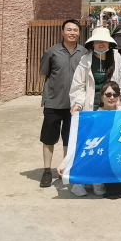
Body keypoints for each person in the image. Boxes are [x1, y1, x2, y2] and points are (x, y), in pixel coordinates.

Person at [38, 19, 87, 188]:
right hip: (53, 102)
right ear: (62, 32)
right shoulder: (51, 52)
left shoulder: (84, 52)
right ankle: (46, 171)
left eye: (75, 30)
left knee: (69, 139)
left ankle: (66, 168)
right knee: (48, 138)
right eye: (69, 29)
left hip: (75, 105)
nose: (72, 33)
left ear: (79, 33)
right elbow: (44, 74)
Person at [60, 80, 121, 198]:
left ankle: (97, 181)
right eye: (108, 94)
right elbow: (81, 140)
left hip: (112, 153)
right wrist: (65, 162)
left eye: (115, 95)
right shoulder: (94, 116)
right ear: (102, 96)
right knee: (87, 151)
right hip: (96, 151)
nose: (112, 98)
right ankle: (78, 183)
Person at [69, 27, 121, 113]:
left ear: (109, 43)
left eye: (104, 41)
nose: (101, 43)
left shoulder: (116, 58)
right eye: (97, 41)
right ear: (93, 44)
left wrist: (118, 98)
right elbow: (78, 85)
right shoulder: (85, 60)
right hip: (91, 105)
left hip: (110, 104)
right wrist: (78, 104)